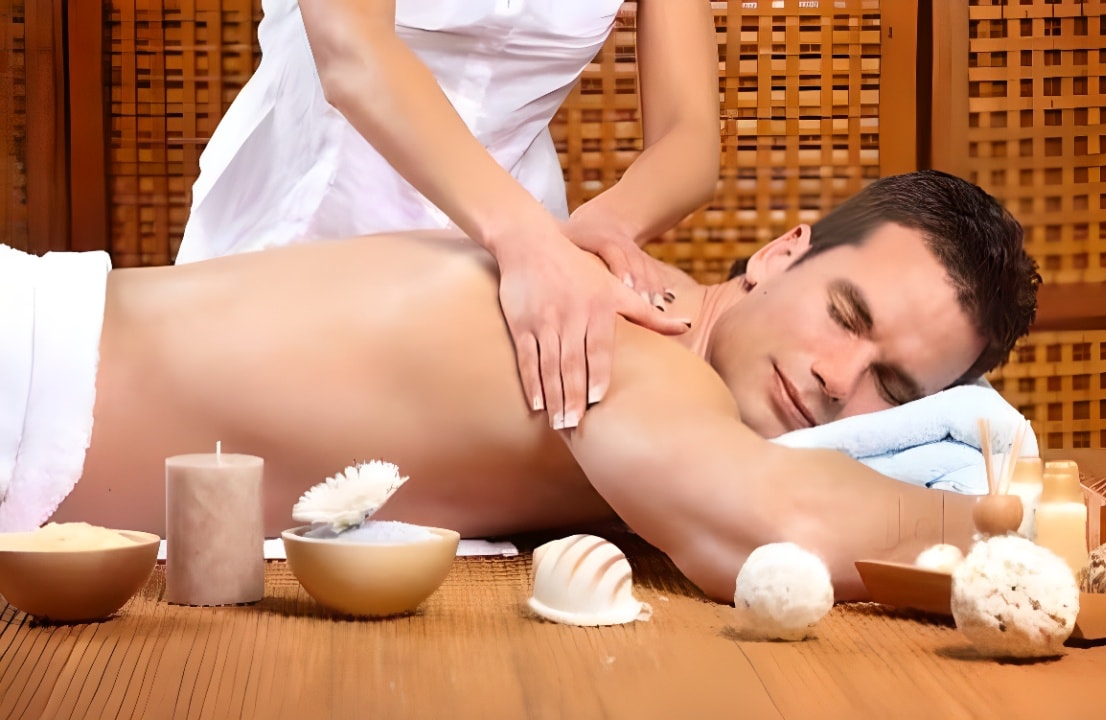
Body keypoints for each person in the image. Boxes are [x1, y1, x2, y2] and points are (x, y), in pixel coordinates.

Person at [5, 172, 1039, 602]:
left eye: (890, 386)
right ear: (779, 256)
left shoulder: (672, 378)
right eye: (846, 316)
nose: (836, 380)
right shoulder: (624, 334)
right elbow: (779, 531)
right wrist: (1040, 525)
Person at [176, 0, 721, 432]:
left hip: (507, 277)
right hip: (305, 233)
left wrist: (607, 224)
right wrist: (525, 238)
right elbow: (349, 51)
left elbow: (689, 133)